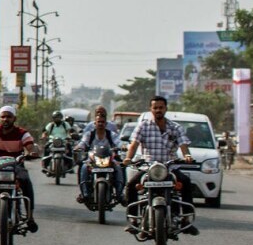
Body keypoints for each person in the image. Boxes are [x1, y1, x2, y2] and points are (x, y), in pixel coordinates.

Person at [123, 95, 199, 237]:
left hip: (170, 168)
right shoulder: (143, 126)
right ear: (150, 109)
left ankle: (185, 220)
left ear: (166, 109)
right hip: (149, 168)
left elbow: (183, 145)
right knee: (131, 184)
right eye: (155, 108)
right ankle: (133, 220)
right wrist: (128, 158)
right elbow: (134, 145)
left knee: (186, 183)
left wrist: (187, 155)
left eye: (161, 107)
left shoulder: (175, 127)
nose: (158, 110)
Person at [0, 105, 38, 233]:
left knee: (26, 181)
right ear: (0, 118)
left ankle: (30, 217)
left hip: (16, 165)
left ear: (14, 118)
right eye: (3, 117)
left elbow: (30, 146)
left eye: (8, 117)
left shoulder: (22, 133)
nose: (5, 119)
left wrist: (32, 152)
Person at [74, 105, 123, 204]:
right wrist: (79, 147)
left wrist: (124, 146)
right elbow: (83, 142)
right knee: (83, 167)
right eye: (98, 122)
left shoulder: (110, 134)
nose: (100, 124)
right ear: (94, 123)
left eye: (102, 122)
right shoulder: (90, 134)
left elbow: (119, 142)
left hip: (109, 159)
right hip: (92, 160)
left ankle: (119, 194)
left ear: (106, 123)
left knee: (118, 167)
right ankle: (85, 193)